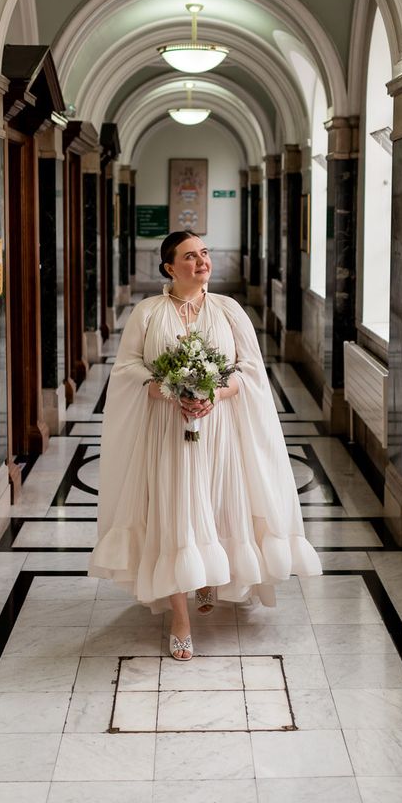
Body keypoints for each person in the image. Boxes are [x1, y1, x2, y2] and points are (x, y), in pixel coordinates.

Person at [89, 230, 322, 660]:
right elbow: (126, 369)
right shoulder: (147, 313)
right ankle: (180, 617)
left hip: (220, 430)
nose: (201, 262)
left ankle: (209, 575)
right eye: (190, 256)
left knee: (216, 505)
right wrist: (167, 389)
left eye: (205, 254)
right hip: (168, 431)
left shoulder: (229, 310)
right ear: (169, 267)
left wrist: (214, 394)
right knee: (175, 513)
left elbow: (250, 370)